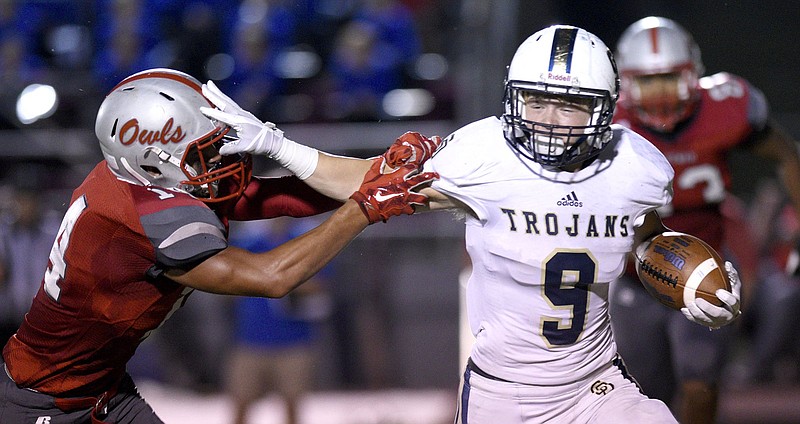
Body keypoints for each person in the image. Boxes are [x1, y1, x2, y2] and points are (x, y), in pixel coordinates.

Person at [200, 25, 742, 423]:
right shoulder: (482, 156)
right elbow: (367, 181)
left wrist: (694, 278)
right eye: (536, 101)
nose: (550, 120)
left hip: (594, 388)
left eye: (570, 106)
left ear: (605, 110)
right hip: (503, 397)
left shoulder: (637, 169)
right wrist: (276, 144)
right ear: (513, 99)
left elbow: (645, 240)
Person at [0, 68, 437, 424]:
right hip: (44, 405)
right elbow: (272, 276)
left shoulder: (137, 182)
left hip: (100, 387)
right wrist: (365, 206)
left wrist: (379, 170)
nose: (220, 162)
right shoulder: (142, 218)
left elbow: (274, 196)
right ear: (153, 160)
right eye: (202, 153)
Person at [608, 16, 800, 424]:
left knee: (700, 383)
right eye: (647, 82)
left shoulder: (726, 109)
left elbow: (786, 155)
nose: (659, 96)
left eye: (668, 80)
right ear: (625, 82)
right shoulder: (609, 126)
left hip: (706, 266)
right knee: (644, 394)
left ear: (694, 75)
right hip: (631, 278)